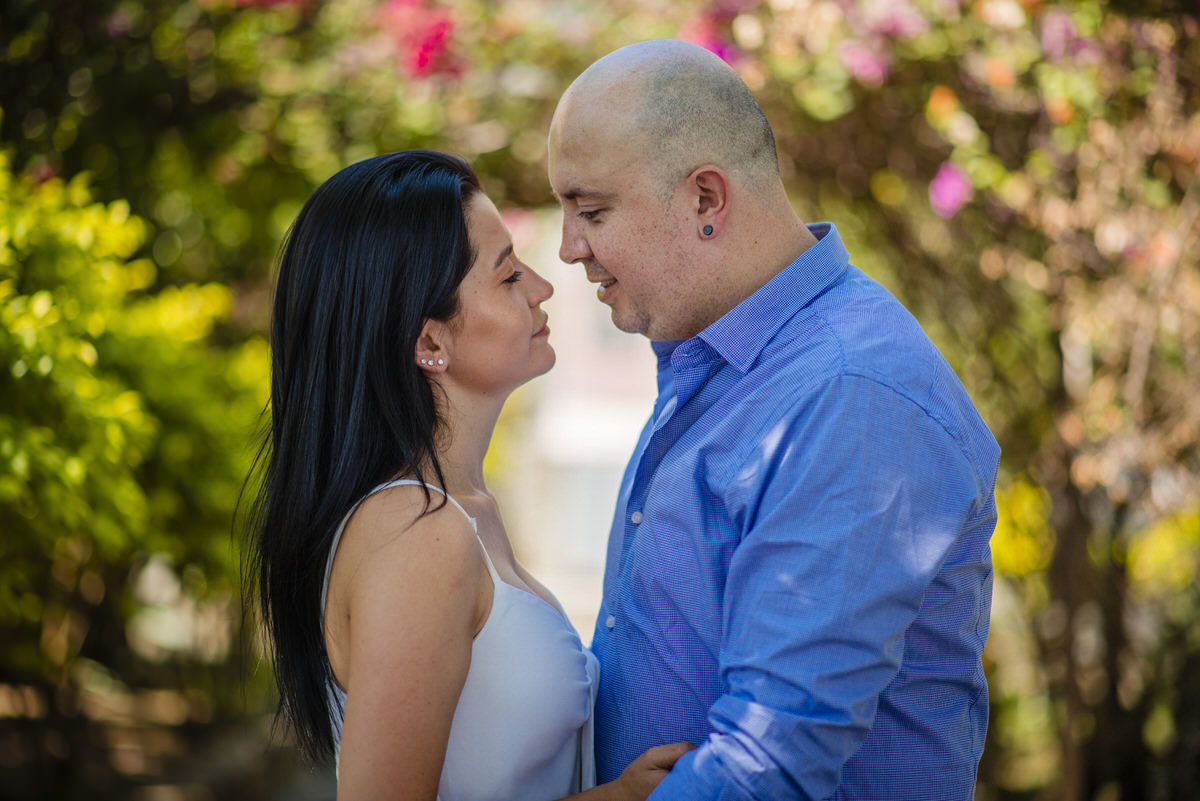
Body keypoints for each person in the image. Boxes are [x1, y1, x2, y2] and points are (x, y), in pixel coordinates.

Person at [547, 40, 1001, 800]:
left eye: (591, 211)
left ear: (705, 200)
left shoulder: (849, 395)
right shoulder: (721, 362)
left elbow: (772, 763)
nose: (568, 249)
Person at [241, 150, 690, 801]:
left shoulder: (461, 512)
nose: (542, 286)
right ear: (430, 343)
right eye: (508, 275)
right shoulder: (414, 532)